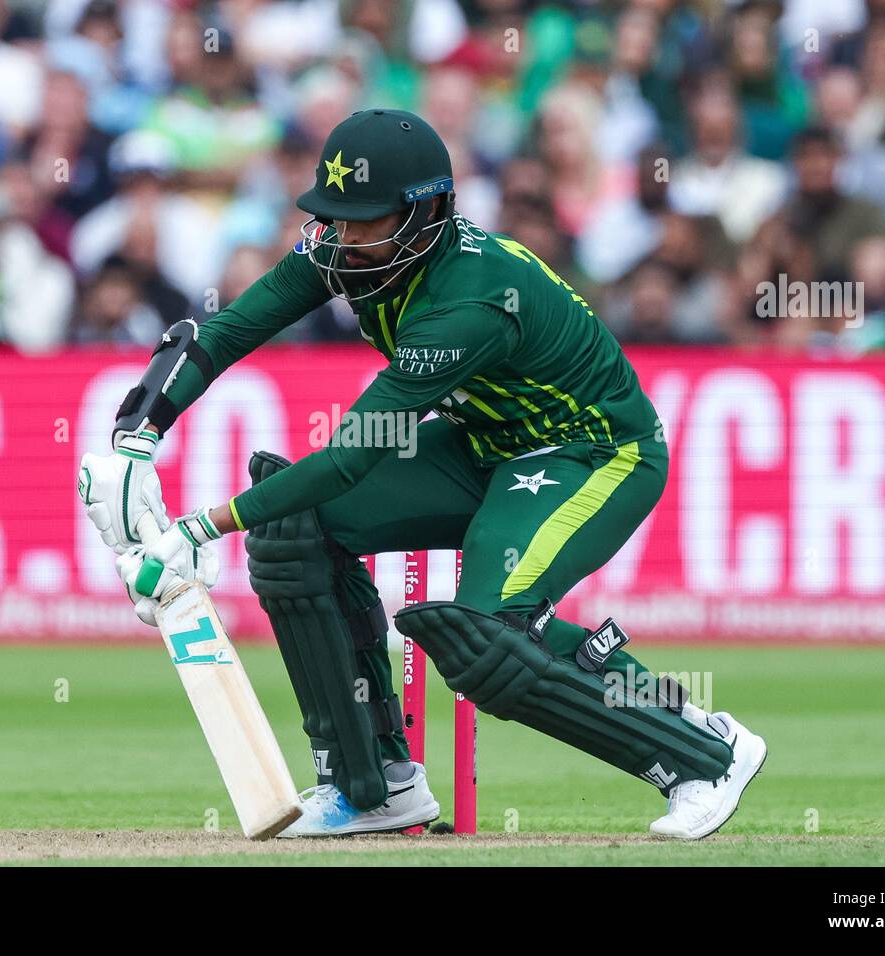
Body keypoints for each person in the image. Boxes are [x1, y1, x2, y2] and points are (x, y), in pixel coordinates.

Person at [77, 109, 767, 839]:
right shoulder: (343, 250)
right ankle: (370, 786)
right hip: (486, 442)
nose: (341, 238)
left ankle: (702, 752)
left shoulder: (467, 302)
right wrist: (135, 440)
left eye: (363, 221)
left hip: (594, 452)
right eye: (332, 218)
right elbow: (220, 335)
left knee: (488, 637)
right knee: (294, 533)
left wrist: (199, 526)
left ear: (427, 210)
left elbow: (351, 456)